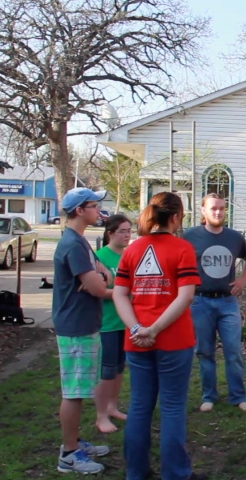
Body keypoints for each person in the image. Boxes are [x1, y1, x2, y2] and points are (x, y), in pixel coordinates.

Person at [112, 192, 206, 480]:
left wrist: (137, 329)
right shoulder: (182, 249)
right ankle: (175, 473)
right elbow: (185, 296)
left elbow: (119, 293)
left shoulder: (132, 249)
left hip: (137, 341)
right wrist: (153, 330)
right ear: (176, 217)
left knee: (139, 405)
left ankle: (136, 472)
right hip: (174, 340)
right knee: (172, 406)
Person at [53, 187, 111, 474]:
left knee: (79, 390)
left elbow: (104, 275)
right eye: (93, 205)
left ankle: (73, 442)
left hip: (84, 323)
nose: (98, 209)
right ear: (79, 210)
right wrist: (106, 285)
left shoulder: (80, 241)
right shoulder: (73, 245)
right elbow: (100, 287)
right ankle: (69, 454)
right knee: (73, 393)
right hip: (75, 326)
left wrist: (99, 278)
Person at [183, 193, 246, 412]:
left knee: (233, 350)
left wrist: (242, 279)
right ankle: (209, 396)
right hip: (200, 301)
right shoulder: (190, 236)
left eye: (222, 208)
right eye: (214, 208)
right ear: (203, 211)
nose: (218, 212)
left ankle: (238, 396)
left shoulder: (234, 237)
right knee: (205, 351)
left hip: (227, 302)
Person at [94, 214, 132, 434]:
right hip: (107, 322)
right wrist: (121, 293)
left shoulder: (129, 257)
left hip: (125, 322)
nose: (127, 235)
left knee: (118, 368)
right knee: (106, 370)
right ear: (110, 233)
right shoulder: (100, 257)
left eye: (129, 231)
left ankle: (112, 406)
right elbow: (97, 291)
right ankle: (101, 415)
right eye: (123, 231)